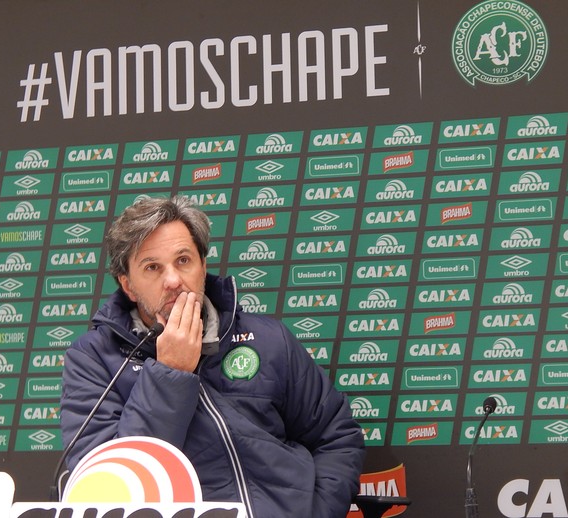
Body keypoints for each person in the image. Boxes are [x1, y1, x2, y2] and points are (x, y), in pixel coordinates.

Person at [60, 195, 366, 517]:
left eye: (183, 260)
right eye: (152, 267)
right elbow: (104, 485)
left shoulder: (267, 338)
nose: (174, 281)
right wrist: (170, 372)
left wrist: (316, 513)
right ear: (129, 286)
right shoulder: (93, 359)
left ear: (203, 268)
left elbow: (336, 436)